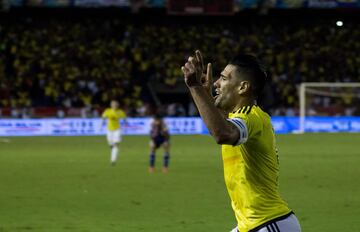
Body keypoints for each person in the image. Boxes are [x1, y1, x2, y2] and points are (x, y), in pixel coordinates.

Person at [181, 50, 301, 232]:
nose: (216, 83)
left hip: (269, 223)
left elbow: (222, 134)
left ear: (243, 87)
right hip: (251, 224)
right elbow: (221, 122)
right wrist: (203, 96)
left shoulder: (251, 116)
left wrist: (195, 87)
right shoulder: (242, 117)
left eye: (223, 78)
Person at [101, 100, 127, 166]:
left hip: (117, 130)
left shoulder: (120, 112)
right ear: (111, 105)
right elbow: (103, 117)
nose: (115, 106)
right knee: (110, 144)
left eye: (116, 105)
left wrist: (125, 125)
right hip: (109, 130)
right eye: (113, 105)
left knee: (116, 144)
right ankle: (113, 151)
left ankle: (113, 160)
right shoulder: (108, 111)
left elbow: (124, 118)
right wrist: (102, 123)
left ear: (117, 106)